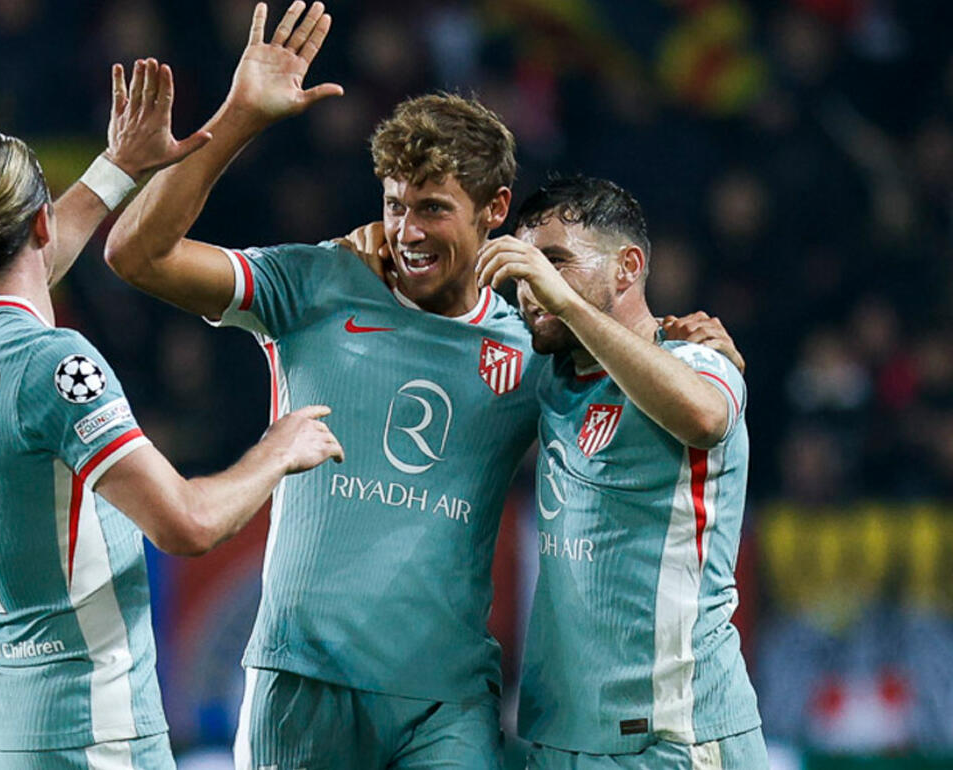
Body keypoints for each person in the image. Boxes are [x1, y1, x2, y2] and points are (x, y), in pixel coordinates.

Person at [104, 4, 742, 768]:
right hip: (302, 679)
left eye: (433, 209)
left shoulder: (533, 341)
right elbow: (136, 256)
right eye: (395, 205)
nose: (407, 231)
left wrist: (678, 336)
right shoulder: (314, 282)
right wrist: (240, 117)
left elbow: (627, 347)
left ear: (495, 210)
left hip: (449, 701)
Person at [0, 58, 344, 770]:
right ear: (39, 223)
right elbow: (187, 524)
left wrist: (120, 167)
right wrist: (279, 448)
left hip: (1, 726)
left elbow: (23, 275)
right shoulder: (52, 364)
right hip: (92, 729)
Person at [476, 175, 766, 769]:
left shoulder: (697, 360)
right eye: (526, 269)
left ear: (628, 267)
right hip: (560, 736)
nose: (533, 286)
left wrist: (568, 304)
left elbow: (706, 416)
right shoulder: (549, 375)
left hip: (676, 736)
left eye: (556, 262)